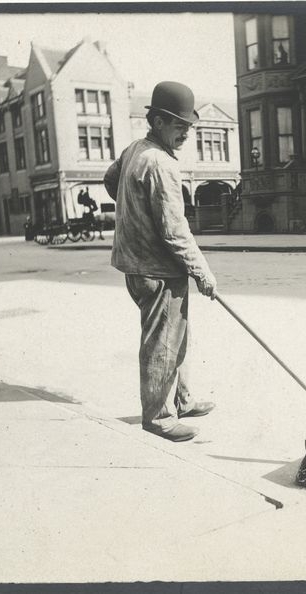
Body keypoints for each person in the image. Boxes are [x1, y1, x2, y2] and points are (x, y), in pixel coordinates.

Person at [104, 81, 217, 442]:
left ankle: (183, 399)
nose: (186, 133)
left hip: (136, 264)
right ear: (157, 121)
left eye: (189, 126)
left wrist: (133, 206)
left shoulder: (134, 149)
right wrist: (202, 272)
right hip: (158, 268)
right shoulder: (160, 164)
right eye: (179, 125)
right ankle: (158, 416)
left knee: (174, 335)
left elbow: (111, 180)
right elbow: (174, 230)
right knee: (162, 343)